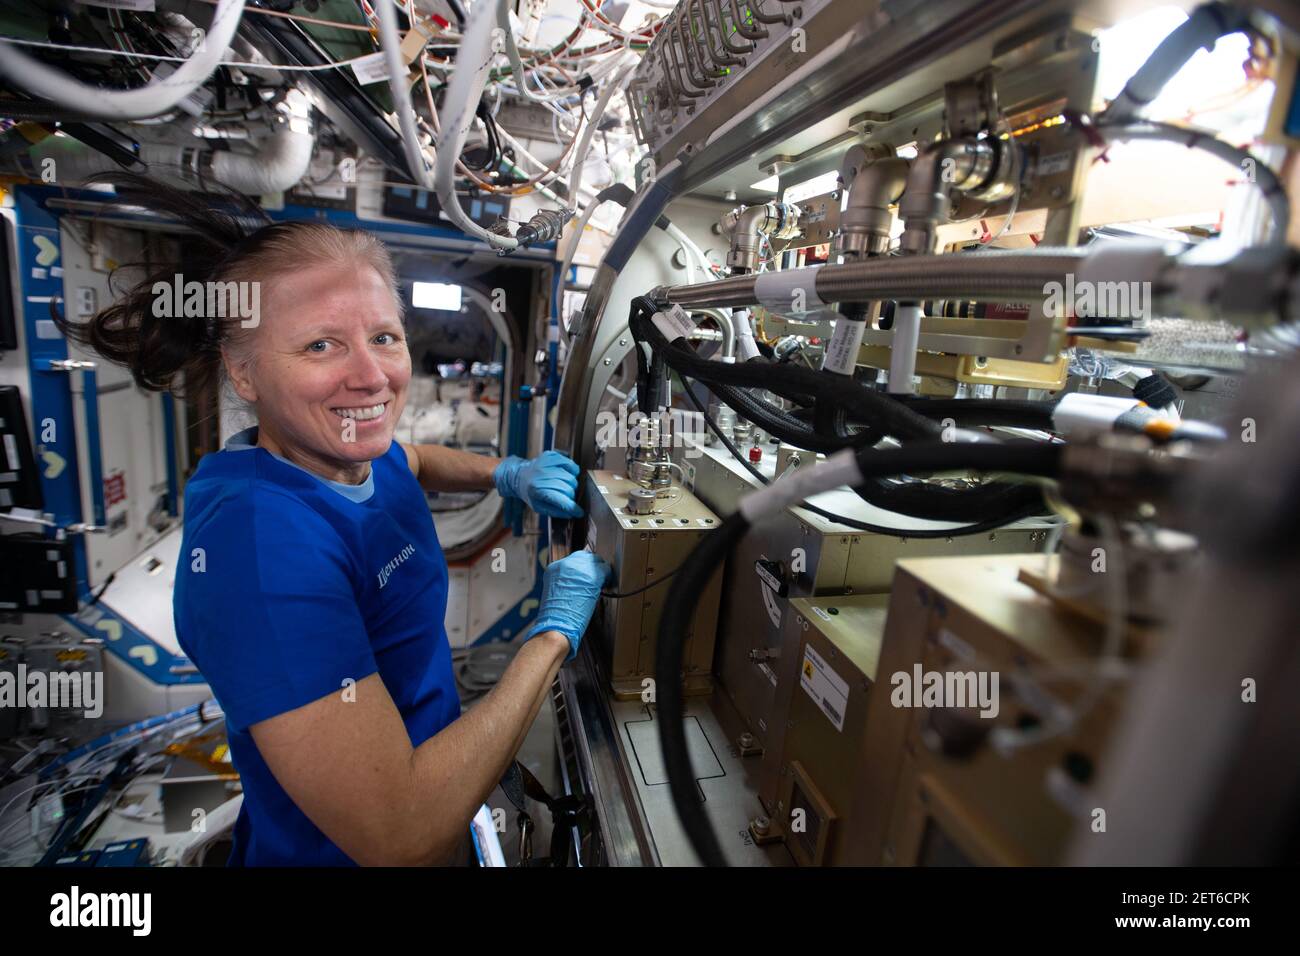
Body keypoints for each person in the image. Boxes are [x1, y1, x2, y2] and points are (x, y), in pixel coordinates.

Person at [58, 174, 610, 865]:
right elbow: (399, 833)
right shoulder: (258, 553)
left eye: (383, 336)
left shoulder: (344, 453)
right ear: (244, 374)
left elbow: (411, 460)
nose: (372, 377)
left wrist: (507, 474)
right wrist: (551, 638)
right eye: (320, 346)